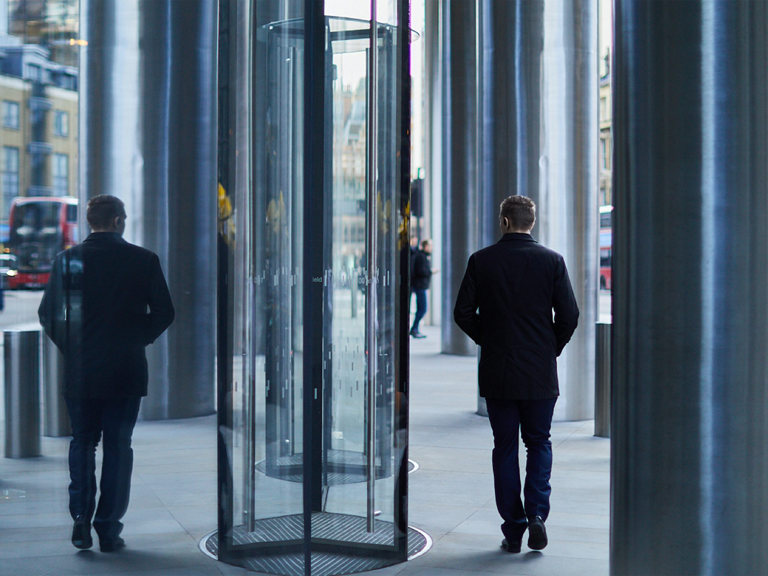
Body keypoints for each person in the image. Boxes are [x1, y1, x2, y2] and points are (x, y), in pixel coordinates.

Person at [38, 195, 175, 553]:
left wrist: (75, 347)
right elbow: (165, 312)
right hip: (126, 370)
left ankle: (80, 520)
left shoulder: (66, 261)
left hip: (82, 370)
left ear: (90, 221)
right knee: (118, 447)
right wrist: (136, 339)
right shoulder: (143, 260)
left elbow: (48, 315)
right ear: (117, 220)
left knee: (82, 443)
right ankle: (108, 529)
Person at [453, 195, 579, 554]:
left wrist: (489, 339)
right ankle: (538, 513)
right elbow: (569, 315)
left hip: (499, 371)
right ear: (532, 222)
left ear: (504, 222)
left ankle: (513, 528)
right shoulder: (552, 261)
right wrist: (549, 347)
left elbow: (462, 313)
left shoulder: (482, 261)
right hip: (539, 372)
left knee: (504, 447)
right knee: (539, 442)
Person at [410, 239, 433, 338]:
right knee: (423, 309)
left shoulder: (421, 256)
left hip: (420, 285)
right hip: (420, 286)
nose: (431, 248)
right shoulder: (421, 257)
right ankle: (414, 329)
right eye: (430, 246)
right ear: (425, 246)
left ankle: (415, 329)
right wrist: (431, 271)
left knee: (422, 308)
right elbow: (420, 271)